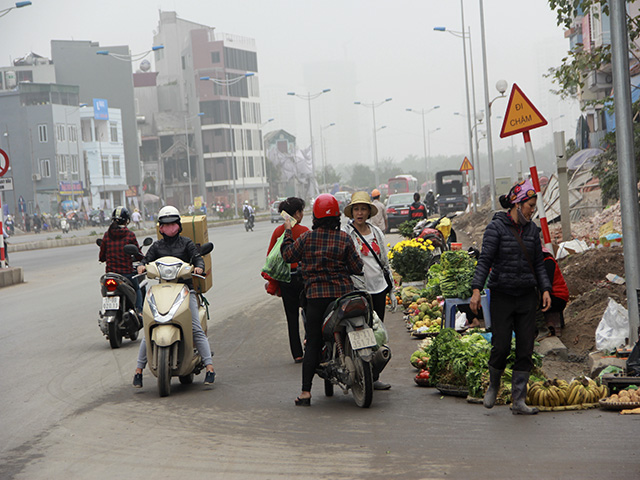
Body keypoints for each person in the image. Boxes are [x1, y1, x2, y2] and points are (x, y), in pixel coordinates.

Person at [469, 179, 552, 415]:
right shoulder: (496, 229)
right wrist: (476, 289)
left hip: (526, 296)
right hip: (502, 295)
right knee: (501, 346)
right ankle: (494, 384)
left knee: (526, 348)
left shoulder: (533, 231)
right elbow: (484, 261)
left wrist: (545, 289)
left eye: (534, 206)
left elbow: (538, 262)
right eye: (530, 206)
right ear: (517, 204)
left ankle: (518, 400)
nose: (532, 210)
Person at [281, 193, 364, 406]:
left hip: (316, 299)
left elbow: (288, 255)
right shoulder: (344, 238)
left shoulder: (307, 238)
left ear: (315, 217)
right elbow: (357, 268)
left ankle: (306, 393)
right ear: (337, 216)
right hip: (343, 297)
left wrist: (288, 232)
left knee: (313, 343)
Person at [132, 205, 215, 388]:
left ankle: (209, 367)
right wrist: (141, 265)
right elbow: (146, 260)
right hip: (163, 290)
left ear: (178, 225)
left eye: (172, 224)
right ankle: (138, 370)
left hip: (186, 290)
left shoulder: (187, 243)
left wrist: (199, 265)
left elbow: (197, 258)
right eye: (165, 224)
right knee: (150, 328)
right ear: (160, 228)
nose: (169, 227)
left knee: (195, 328)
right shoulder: (156, 246)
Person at [342, 191, 394, 390]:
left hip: (378, 288)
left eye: (363, 209)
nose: (360, 213)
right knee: (360, 333)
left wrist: (391, 290)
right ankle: (360, 372)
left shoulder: (376, 233)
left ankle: (374, 376)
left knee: (376, 333)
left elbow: (384, 262)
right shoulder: (346, 234)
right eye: (356, 209)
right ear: (352, 212)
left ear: (369, 212)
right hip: (357, 290)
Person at [267, 197, 309, 363]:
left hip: (286, 280)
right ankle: (309, 341)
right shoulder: (305, 231)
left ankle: (297, 354)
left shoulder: (278, 232)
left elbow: (271, 258)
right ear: (297, 213)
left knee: (291, 317)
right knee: (309, 312)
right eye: (301, 211)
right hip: (304, 278)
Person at [98, 206, 144, 314]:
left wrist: (103, 258)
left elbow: (101, 256)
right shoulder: (129, 235)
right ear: (127, 220)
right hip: (126, 273)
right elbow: (138, 254)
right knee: (137, 288)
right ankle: (139, 312)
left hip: (110, 274)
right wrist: (143, 260)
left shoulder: (107, 235)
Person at [540, 244, 569, 338]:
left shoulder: (548, 262)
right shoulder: (545, 262)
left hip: (557, 298)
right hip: (555, 296)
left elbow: (546, 284)